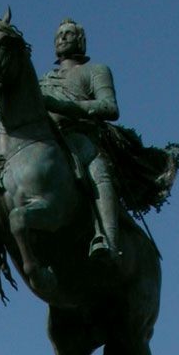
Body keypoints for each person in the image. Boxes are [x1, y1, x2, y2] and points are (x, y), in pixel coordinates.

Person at [38, 19, 122, 263]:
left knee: (99, 172)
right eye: (58, 35)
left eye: (68, 34)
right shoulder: (42, 81)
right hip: (47, 141)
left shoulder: (96, 70)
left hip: (81, 138)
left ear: (81, 40)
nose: (62, 38)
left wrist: (64, 106)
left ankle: (108, 239)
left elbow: (110, 107)